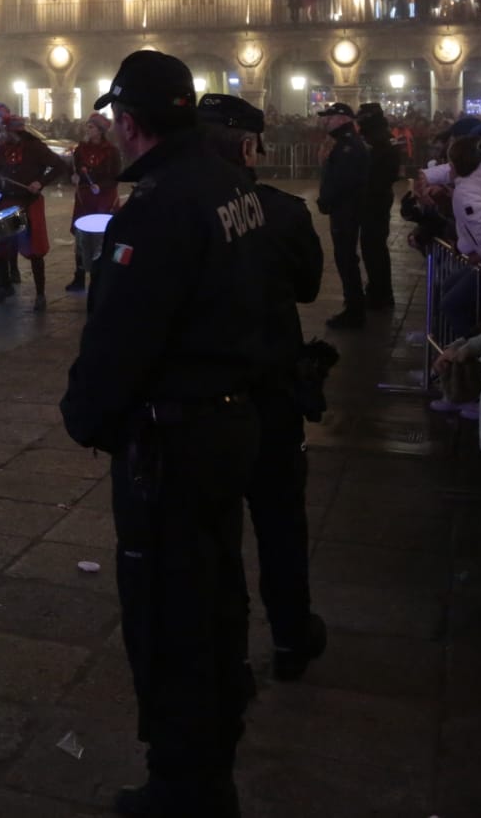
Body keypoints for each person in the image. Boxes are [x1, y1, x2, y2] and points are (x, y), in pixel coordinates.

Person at [60, 52, 265, 818]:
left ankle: (185, 784)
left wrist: (87, 416)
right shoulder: (230, 186)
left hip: (175, 438)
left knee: (168, 608)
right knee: (216, 591)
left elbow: (122, 334)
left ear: (131, 121)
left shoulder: (155, 207)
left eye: (116, 118)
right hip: (231, 418)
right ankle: (218, 740)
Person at [198, 94, 329, 682]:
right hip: (271, 392)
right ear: (250, 147)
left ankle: (225, 651)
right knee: (280, 523)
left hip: (203, 401)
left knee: (210, 533)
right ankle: (291, 636)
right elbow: (306, 289)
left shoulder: (174, 210)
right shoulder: (281, 212)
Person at [0, 106, 64, 310]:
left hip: (28, 202)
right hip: (8, 200)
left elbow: (60, 165)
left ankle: (40, 294)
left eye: (8, 131)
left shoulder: (36, 147)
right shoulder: (5, 148)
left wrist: (40, 182)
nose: (5, 135)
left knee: (34, 250)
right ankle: (3, 287)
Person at [314, 102, 370, 328]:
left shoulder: (348, 146)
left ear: (343, 119)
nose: (326, 121)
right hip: (345, 209)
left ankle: (354, 310)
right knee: (345, 257)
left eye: (330, 117)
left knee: (346, 258)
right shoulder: (344, 143)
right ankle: (354, 305)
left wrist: (326, 201)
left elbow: (343, 181)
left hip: (345, 210)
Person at [67, 113, 122, 293]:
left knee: (103, 238)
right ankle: (79, 276)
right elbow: (76, 170)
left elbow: (115, 176)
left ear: (100, 131)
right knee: (82, 237)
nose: (88, 130)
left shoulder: (111, 151)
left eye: (91, 127)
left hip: (104, 198)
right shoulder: (81, 149)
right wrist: (75, 178)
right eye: (88, 127)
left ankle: (103, 277)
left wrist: (101, 185)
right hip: (85, 198)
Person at [355, 107, 400, 311]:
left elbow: (380, 175)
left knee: (374, 249)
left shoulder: (380, 143)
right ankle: (378, 290)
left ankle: (380, 293)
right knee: (373, 249)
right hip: (376, 198)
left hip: (375, 200)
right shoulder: (381, 140)